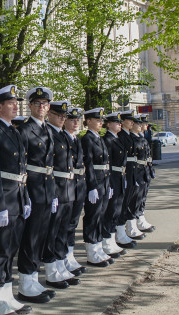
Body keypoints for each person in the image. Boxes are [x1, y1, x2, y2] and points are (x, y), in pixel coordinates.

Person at [0, 85, 32, 315]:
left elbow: (22, 169)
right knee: (0, 251)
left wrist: (26, 197)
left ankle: (8, 295)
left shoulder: (12, 130)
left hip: (17, 196)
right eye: (10, 103)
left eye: (16, 102)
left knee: (11, 250)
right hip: (4, 200)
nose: (15, 105)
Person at [17, 87, 57, 304]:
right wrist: (24, 194)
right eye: (37, 103)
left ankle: (33, 278)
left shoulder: (48, 130)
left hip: (47, 188)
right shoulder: (25, 130)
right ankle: (25, 283)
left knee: (41, 235)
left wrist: (53, 192)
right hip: (32, 188)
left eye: (44, 104)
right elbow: (21, 165)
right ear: (30, 106)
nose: (41, 107)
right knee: (30, 238)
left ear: (48, 107)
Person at [42, 101, 81, 288]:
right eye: (59, 116)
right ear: (50, 115)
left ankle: (60, 263)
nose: (62, 119)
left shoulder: (62, 135)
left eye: (64, 116)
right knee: (53, 231)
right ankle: (52, 268)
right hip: (56, 186)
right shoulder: (48, 132)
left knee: (64, 229)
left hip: (68, 186)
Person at [80, 108, 112, 267]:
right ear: (88, 121)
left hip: (104, 181)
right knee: (93, 216)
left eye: (101, 120)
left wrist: (109, 184)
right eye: (97, 120)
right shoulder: (87, 139)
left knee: (101, 215)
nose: (101, 122)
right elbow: (89, 164)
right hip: (95, 182)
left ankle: (98, 247)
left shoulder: (98, 138)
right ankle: (91, 250)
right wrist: (92, 186)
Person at [62, 106, 87, 275]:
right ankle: (63, 257)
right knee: (64, 225)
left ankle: (69, 255)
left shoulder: (76, 139)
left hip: (78, 184)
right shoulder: (63, 138)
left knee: (73, 223)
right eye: (72, 119)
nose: (75, 122)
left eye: (77, 120)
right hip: (67, 186)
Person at [101, 112, 128, 258]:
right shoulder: (108, 140)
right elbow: (108, 163)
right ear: (109, 124)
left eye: (119, 122)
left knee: (117, 209)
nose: (119, 124)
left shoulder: (116, 138)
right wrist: (109, 182)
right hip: (112, 177)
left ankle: (111, 239)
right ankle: (106, 240)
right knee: (110, 210)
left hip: (120, 176)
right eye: (116, 122)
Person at [115, 110, 140, 248]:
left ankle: (124, 229)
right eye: (129, 120)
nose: (132, 123)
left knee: (129, 199)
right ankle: (120, 231)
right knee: (123, 203)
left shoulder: (128, 135)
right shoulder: (121, 136)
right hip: (125, 170)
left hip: (130, 170)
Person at [135, 116, 155, 233]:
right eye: (142, 123)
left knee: (143, 196)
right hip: (138, 170)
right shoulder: (134, 138)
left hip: (145, 169)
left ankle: (140, 216)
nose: (144, 125)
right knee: (137, 198)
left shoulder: (143, 137)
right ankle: (137, 218)